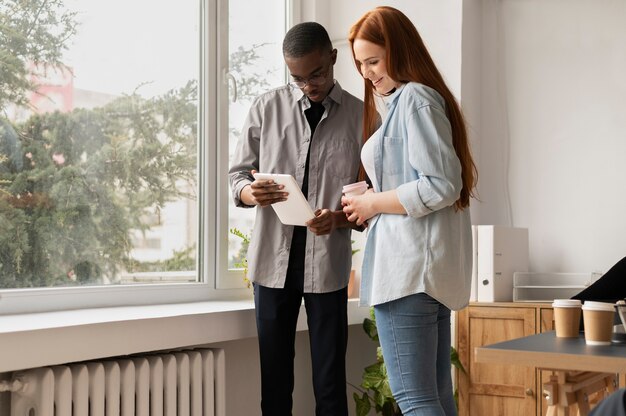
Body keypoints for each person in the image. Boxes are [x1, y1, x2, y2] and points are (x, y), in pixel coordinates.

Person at [343, 6, 477, 416]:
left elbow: (441, 184)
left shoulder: (416, 99)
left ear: (399, 51)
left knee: (415, 399)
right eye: (361, 64)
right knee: (434, 397)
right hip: (422, 273)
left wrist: (372, 202)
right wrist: (375, 203)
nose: (366, 73)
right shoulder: (409, 102)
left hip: (407, 274)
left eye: (373, 61)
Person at [228, 22, 363, 416]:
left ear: (333, 58)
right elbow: (237, 175)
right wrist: (250, 193)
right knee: (274, 386)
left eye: (316, 74)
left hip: (329, 268)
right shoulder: (265, 107)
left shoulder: (360, 116)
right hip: (272, 264)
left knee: (330, 387)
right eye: (298, 78)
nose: (308, 85)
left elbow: (368, 196)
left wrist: (337, 219)